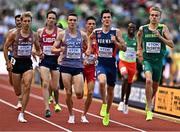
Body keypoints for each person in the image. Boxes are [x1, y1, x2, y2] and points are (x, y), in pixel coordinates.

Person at [52, 13, 90, 124]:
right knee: (68, 93)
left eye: (74, 20)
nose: (72, 22)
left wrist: (88, 50)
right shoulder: (62, 35)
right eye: (70, 20)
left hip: (78, 66)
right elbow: (53, 49)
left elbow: (89, 43)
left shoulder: (82, 34)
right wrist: (60, 50)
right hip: (65, 66)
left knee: (79, 94)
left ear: (77, 21)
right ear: (67, 21)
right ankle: (71, 115)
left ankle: (75, 86)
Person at [137, 6, 174, 121]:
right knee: (148, 80)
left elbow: (171, 44)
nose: (154, 17)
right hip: (147, 60)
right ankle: (149, 108)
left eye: (156, 15)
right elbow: (138, 36)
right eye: (152, 15)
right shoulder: (143, 28)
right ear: (149, 16)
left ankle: (148, 100)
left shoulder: (163, 28)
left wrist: (160, 36)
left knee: (155, 87)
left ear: (159, 17)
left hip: (159, 62)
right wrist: (139, 48)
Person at [89, 9, 126, 126]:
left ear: (111, 19)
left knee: (110, 91)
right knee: (101, 81)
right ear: (101, 19)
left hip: (112, 65)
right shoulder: (97, 32)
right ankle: (104, 104)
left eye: (108, 17)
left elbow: (124, 48)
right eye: (104, 17)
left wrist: (115, 42)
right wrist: (90, 49)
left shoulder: (116, 32)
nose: (106, 19)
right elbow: (89, 38)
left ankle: (107, 113)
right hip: (101, 63)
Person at [3, 11, 42, 123]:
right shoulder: (14, 34)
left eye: (29, 21)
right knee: (17, 90)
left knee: (27, 85)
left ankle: (22, 113)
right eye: (25, 21)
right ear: (21, 22)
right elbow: (5, 47)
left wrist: (39, 53)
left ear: (31, 22)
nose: (26, 23)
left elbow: (38, 48)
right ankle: (19, 97)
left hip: (27, 63)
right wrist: (7, 62)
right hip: (16, 63)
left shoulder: (34, 34)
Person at [37, 10, 62, 117]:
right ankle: (47, 108)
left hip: (55, 61)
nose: (51, 20)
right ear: (46, 19)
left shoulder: (60, 32)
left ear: (55, 20)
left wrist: (60, 54)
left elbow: (64, 45)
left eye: (53, 18)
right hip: (45, 60)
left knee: (55, 86)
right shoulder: (40, 31)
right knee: (46, 83)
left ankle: (57, 103)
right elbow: (35, 46)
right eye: (49, 18)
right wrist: (38, 53)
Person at [117, 22, 137, 114]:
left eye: (133, 27)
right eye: (129, 27)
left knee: (129, 84)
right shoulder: (123, 37)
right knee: (124, 77)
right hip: (122, 62)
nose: (131, 29)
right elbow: (118, 45)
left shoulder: (137, 40)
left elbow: (140, 50)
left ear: (135, 29)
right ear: (127, 28)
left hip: (132, 65)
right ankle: (121, 101)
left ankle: (126, 103)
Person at [81, 16, 98, 123]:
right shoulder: (82, 36)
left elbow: (100, 51)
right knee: (79, 93)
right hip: (80, 67)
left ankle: (84, 114)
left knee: (90, 93)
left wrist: (96, 56)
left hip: (91, 68)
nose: (91, 26)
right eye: (89, 24)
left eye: (93, 24)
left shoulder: (98, 38)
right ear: (86, 25)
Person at [5, 14, 22, 111]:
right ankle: (18, 93)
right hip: (12, 57)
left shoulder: (27, 33)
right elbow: (6, 46)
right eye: (17, 20)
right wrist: (7, 61)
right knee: (12, 81)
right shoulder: (11, 32)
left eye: (20, 20)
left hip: (23, 59)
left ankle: (20, 100)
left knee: (23, 80)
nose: (19, 22)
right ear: (15, 22)